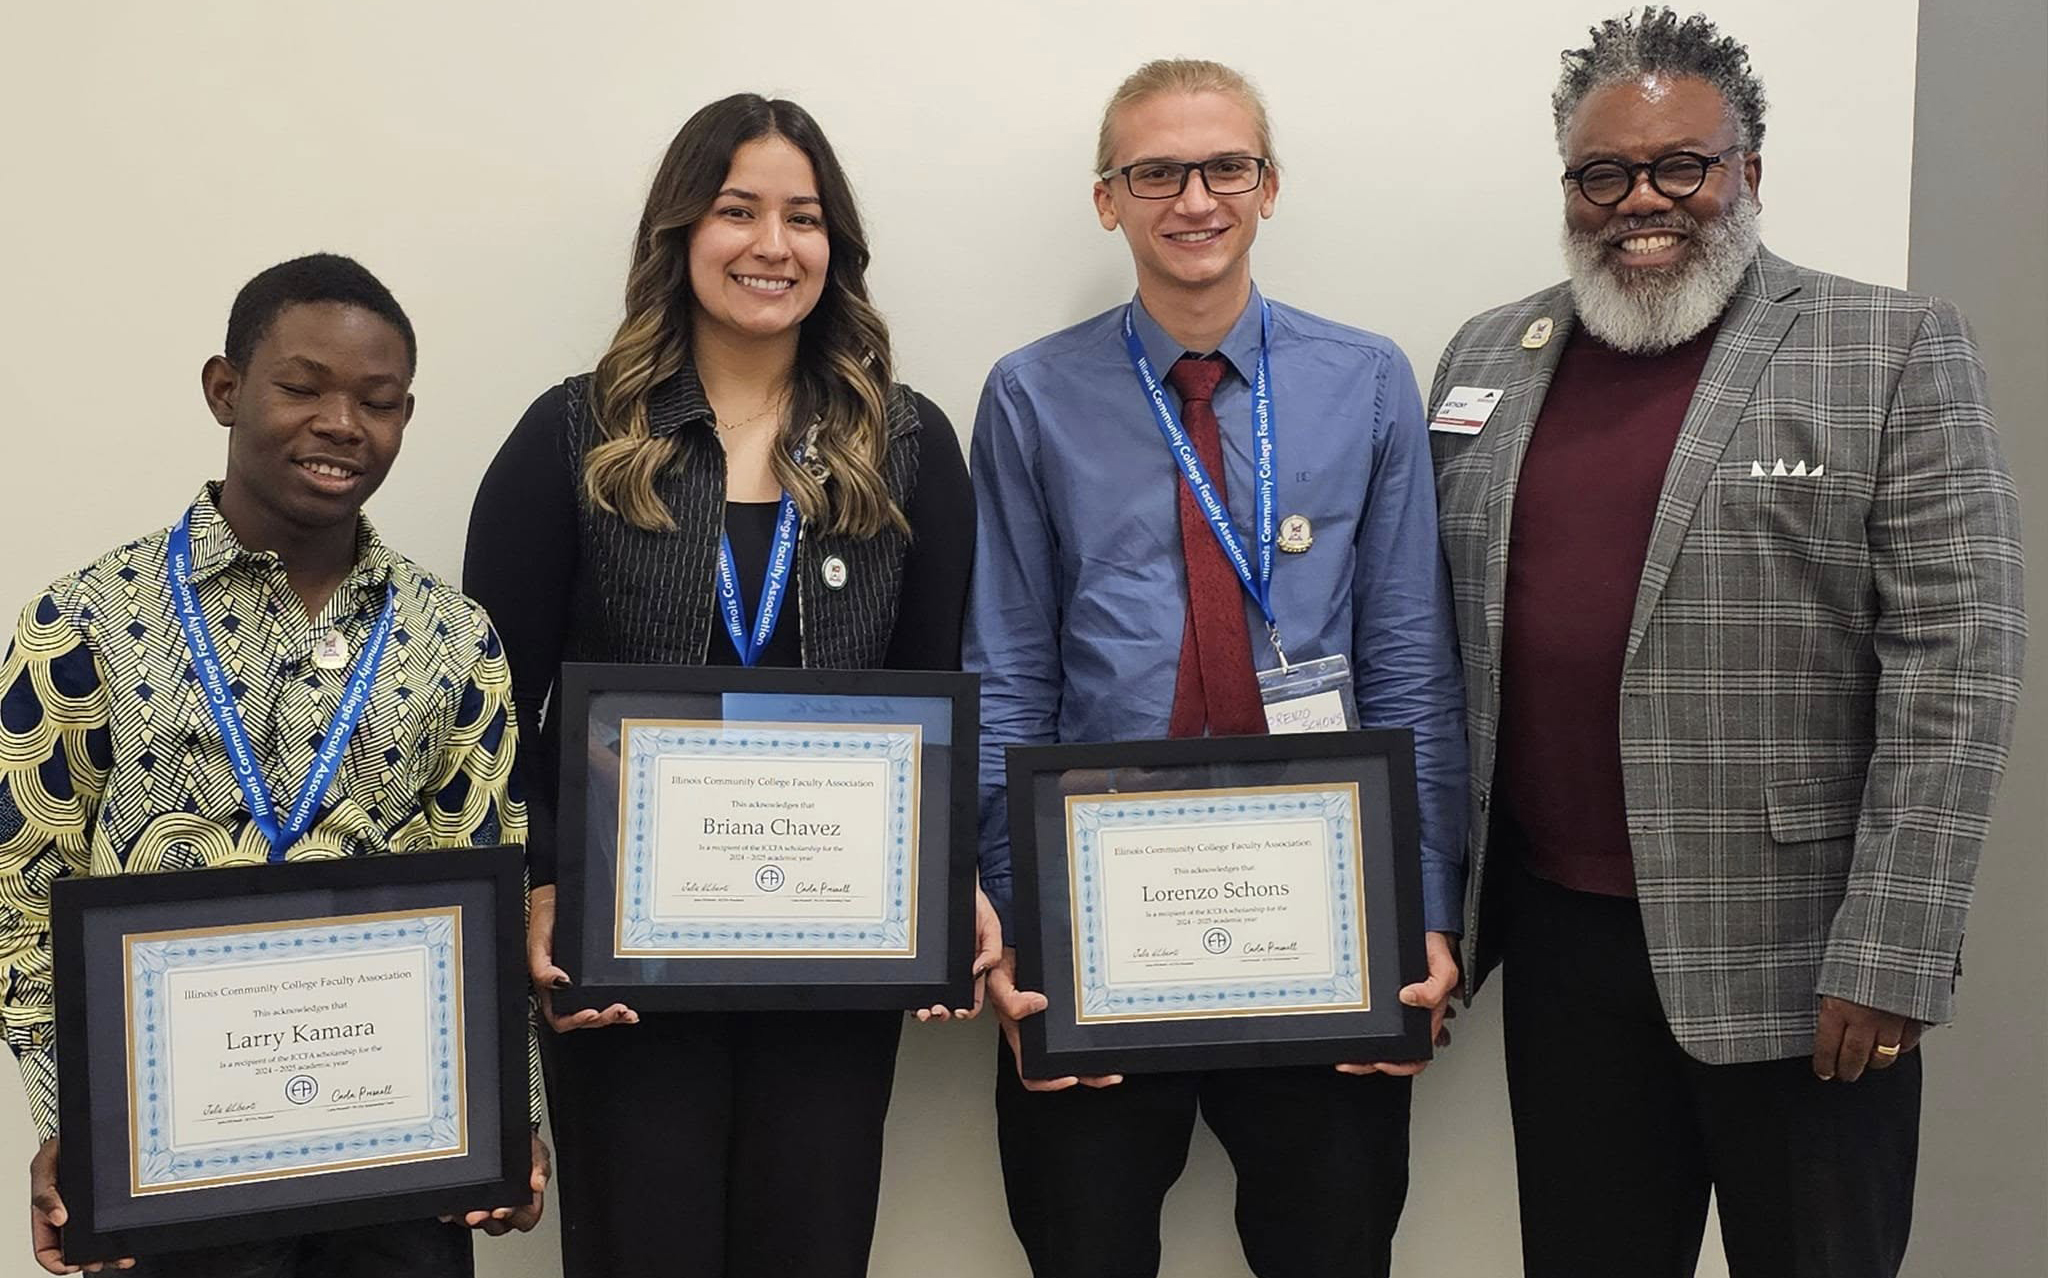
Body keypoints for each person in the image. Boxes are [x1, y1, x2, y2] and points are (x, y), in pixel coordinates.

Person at [1426, 9, 2028, 1276]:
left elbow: (1955, 660)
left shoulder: (1887, 345)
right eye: (1602, 173)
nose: (1639, 201)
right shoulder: (1488, 354)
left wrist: (1893, 945)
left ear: (1745, 172)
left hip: (1804, 963)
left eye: (1678, 166)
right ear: (1569, 186)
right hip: (1560, 946)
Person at [465, 93, 994, 1278]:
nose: (771, 244)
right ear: (677, 235)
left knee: (809, 1243)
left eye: (802, 217)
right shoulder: (572, 436)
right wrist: (543, 885)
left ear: (834, 248)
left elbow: (937, 691)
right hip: (620, 963)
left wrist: (948, 882)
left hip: (836, 952)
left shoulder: (906, 444)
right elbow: (486, 707)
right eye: (736, 210)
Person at [966, 58, 1468, 1278]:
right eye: (1154, 172)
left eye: (1223, 167)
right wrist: (1014, 910)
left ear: (1266, 186)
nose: (1192, 198)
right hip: (1093, 915)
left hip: (1326, 914)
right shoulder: (1030, 395)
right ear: (1108, 200)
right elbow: (1009, 667)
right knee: (1082, 1250)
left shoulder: (1366, 382)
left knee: (1330, 1249)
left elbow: (1406, 658)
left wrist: (1425, 907)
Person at [0, 254, 549, 1277]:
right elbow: (20, 887)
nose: (342, 421)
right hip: (169, 1155)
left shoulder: (453, 635)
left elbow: (492, 875)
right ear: (225, 388)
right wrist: (74, 1124)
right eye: (303, 386)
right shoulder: (82, 620)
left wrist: (508, 1114)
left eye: (377, 402)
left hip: (399, 1146)